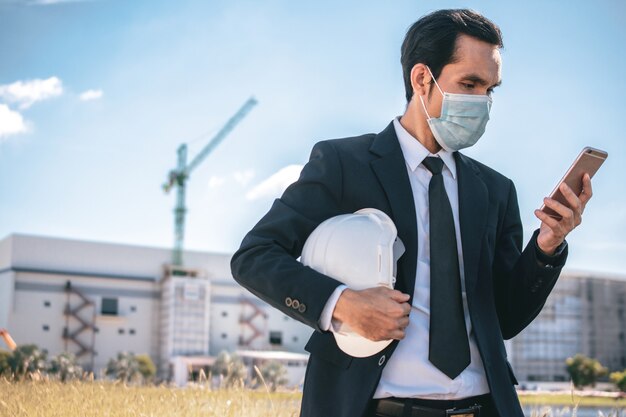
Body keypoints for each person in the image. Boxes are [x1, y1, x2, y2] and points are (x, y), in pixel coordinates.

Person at [230, 9, 592, 417]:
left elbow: (504, 318)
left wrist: (546, 247)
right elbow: (255, 257)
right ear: (423, 79)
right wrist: (343, 304)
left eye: (490, 89)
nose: (482, 102)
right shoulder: (343, 163)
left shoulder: (495, 190)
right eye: (469, 83)